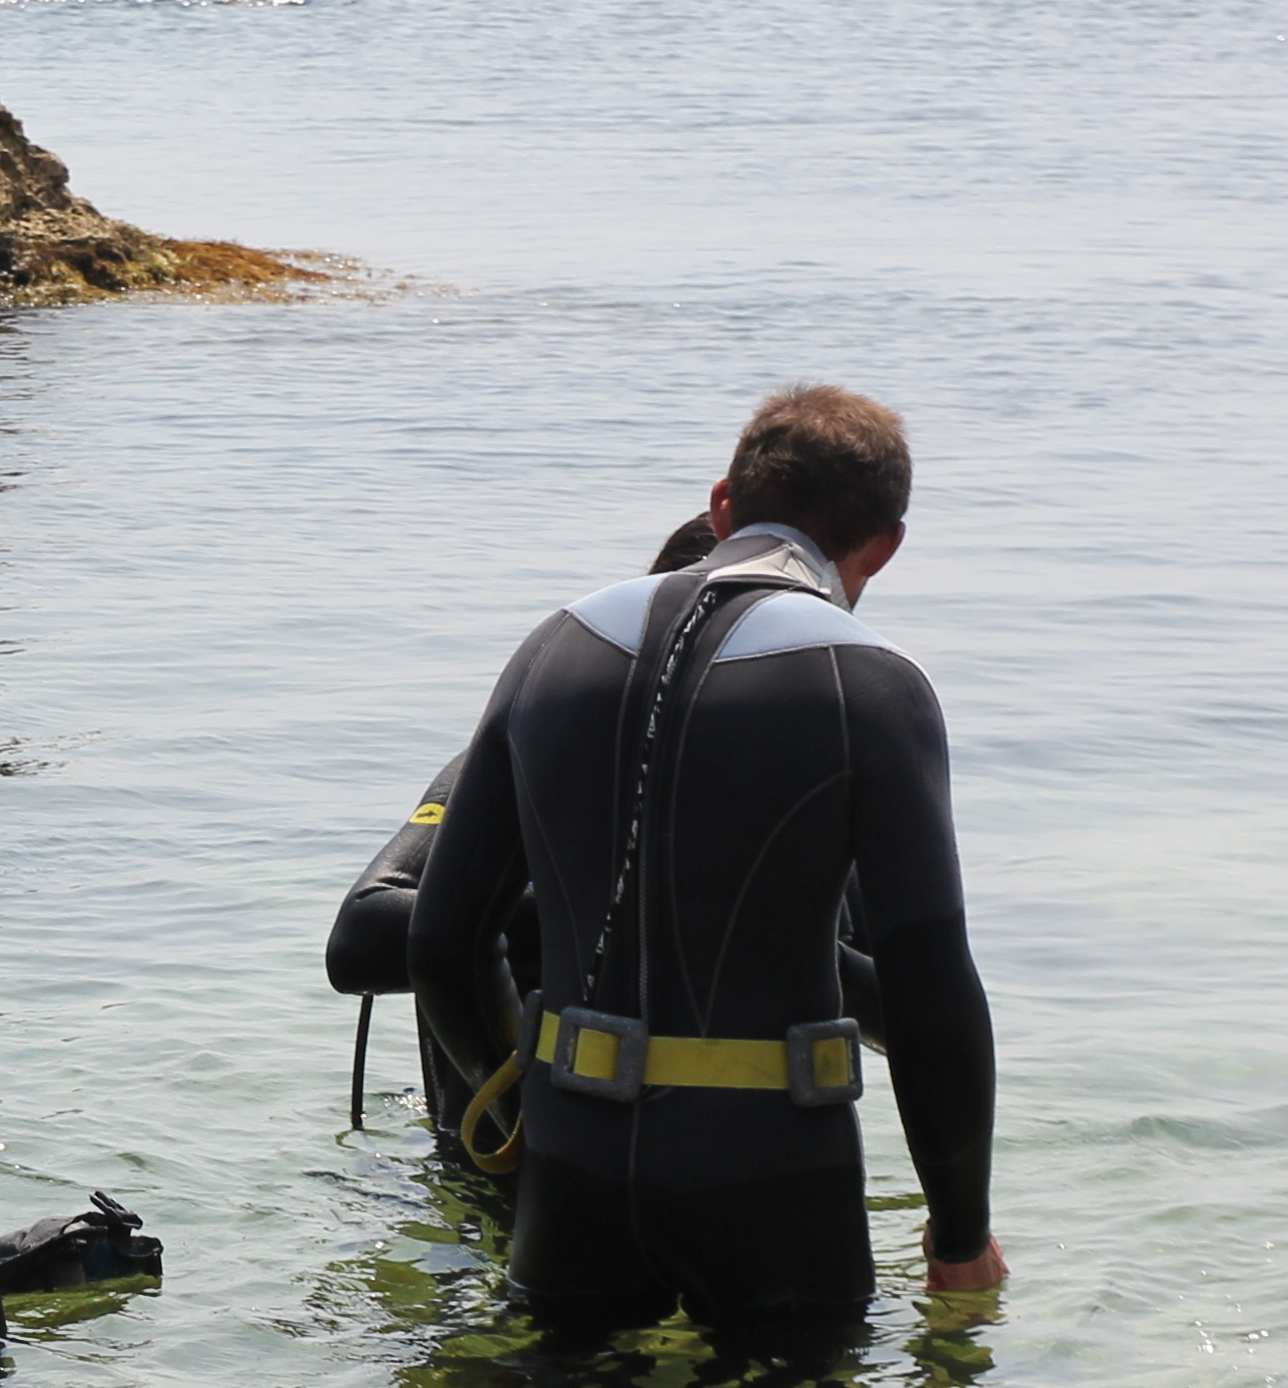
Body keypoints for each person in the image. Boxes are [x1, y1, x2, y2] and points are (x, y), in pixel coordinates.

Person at [410, 384, 1008, 1339]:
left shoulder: (556, 642)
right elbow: (930, 990)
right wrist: (959, 1234)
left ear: (723, 502)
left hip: (572, 1176)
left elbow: (440, 941)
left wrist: (519, 1128)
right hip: (774, 1180)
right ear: (887, 544)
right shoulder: (875, 684)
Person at [331, 512, 737, 1164]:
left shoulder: (791, 793)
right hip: (491, 1166)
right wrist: (580, 914)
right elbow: (360, 939)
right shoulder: (521, 760)